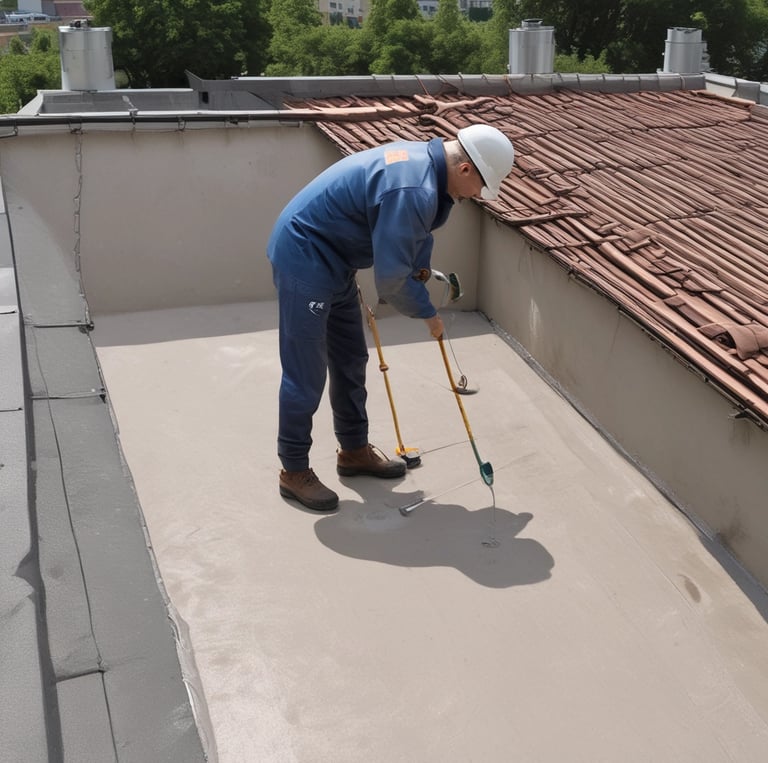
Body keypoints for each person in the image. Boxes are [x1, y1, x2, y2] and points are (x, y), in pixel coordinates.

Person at [267, 124, 515, 512]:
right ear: (465, 169)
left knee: (351, 358)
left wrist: (420, 266)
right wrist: (428, 313)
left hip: (335, 260)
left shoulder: (426, 173)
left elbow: (414, 236)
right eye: (481, 187)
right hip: (306, 255)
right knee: (307, 372)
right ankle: (293, 470)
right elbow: (391, 279)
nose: (478, 196)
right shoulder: (414, 186)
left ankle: (353, 451)